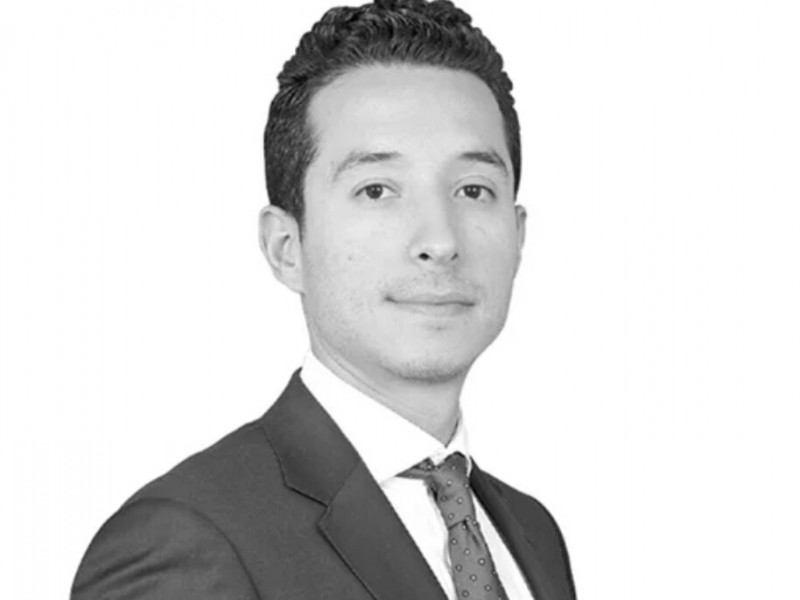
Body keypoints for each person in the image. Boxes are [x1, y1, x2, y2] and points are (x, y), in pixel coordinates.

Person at [71, 0, 576, 598]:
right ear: (286, 247)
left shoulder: (532, 534)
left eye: (473, 189)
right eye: (377, 190)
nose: (440, 241)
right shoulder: (186, 540)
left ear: (518, 236)